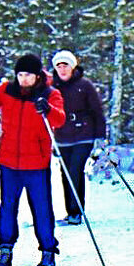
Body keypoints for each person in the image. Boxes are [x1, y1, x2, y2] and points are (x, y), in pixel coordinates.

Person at [0, 54, 65, 266]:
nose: (23, 79)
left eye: (28, 75)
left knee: (41, 209)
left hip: (37, 164)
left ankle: (48, 252)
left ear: (37, 75)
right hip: (9, 162)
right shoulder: (7, 90)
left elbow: (59, 119)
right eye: (20, 75)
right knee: (7, 207)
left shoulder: (50, 94)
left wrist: (47, 109)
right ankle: (5, 251)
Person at [50, 50, 107, 225]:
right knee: (65, 173)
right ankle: (71, 211)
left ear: (73, 66)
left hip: (84, 134)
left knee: (75, 169)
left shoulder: (85, 85)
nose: (62, 69)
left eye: (65, 65)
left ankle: (77, 212)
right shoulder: (52, 88)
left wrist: (100, 137)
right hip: (62, 135)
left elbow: (97, 111)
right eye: (58, 66)